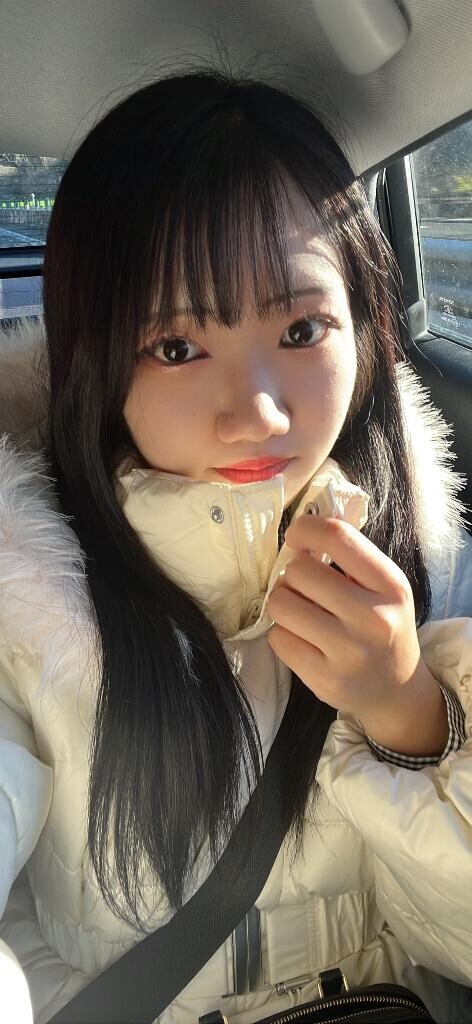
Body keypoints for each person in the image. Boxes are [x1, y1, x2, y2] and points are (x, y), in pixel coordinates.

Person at [0, 68, 472, 1024]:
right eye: (176, 348)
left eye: (301, 328)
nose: (257, 413)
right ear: (93, 361)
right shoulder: (21, 586)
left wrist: (411, 716)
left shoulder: (422, 548)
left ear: (366, 329)